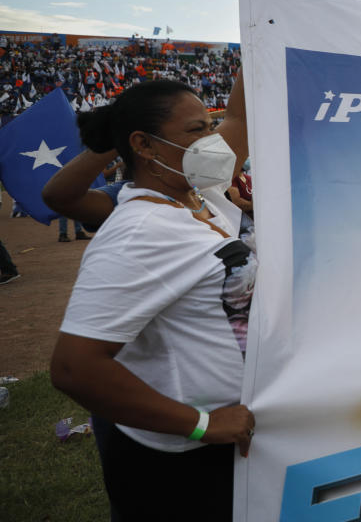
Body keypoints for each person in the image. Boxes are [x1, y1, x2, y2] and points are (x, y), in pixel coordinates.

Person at [49, 74, 255, 521]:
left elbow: (240, 113)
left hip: (224, 444)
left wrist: (273, 13)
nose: (213, 140)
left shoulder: (201, 195)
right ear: (144, 145)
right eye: (197, 130)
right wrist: (201, 424)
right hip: (177, 458)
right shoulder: (140, 232)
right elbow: (73, 367)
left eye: (209, 125)